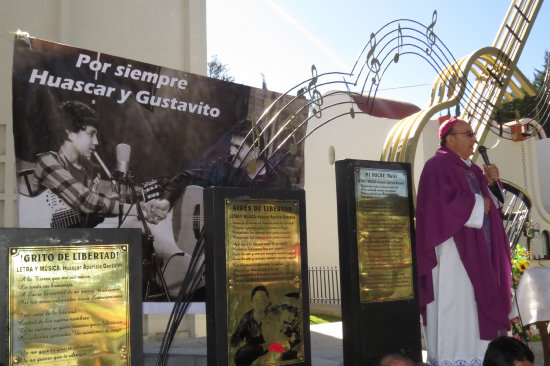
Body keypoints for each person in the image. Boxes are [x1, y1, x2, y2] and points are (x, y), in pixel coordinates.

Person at [415, 117, 511, 365]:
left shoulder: (474, 169)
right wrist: (479, 204)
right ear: (450, 139)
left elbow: (495, 206)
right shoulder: (436, 166)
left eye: (473, 133)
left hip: (481, 251)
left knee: (475, 304)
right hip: (452, 254)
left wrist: (492, 184)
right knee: (456, 306)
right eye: (468, 134)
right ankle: (454, 359)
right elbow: (437, 208)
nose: (474, 139)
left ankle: (482, 357)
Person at [146, 119, 291, 224]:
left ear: (256, 151)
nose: (231, 151)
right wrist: (167, 200)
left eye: (237, 147)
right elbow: (186, 178)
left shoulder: (279, 182)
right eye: (231, 145)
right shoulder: (223, 167)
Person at [30, 100, 137, 227]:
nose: (96, 142)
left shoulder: (91, 171)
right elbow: (86, 202)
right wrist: (135, 209)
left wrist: (109, 207)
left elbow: (88, 214)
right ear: (70, 133)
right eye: (91, 134)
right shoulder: (47, 162)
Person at [230, 285, 271, 366]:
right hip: (252, 352)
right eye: (256, 300)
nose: (259, 304)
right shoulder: (247, 318)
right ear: (252, 302)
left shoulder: (272, 315)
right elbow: (235, 340)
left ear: (267, 302)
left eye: (263, 301)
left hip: (271, 348)